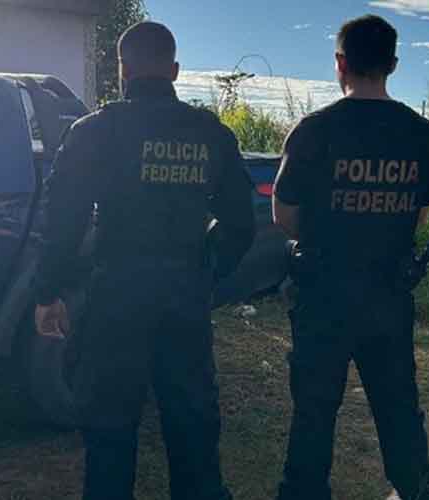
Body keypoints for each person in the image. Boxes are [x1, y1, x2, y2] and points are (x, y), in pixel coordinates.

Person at [33, 21, 255, 500]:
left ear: (122, 71)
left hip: (116, 296)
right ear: (174, 70)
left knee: (110, 426)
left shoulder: (94, 131)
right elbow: (242, 224)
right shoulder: (210, 133)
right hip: (184, 294)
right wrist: (207, 272)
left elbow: (64, 220)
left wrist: (48, 291)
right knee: (192, 423)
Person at [272, 15, 429, 500]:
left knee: (314, 409)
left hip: (323, 290)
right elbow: (420, 215)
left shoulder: (312, 130)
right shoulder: (420, 134)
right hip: (388, 292)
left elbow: (285, 216)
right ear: (393, 64)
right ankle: (414, 487)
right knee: (397, 403)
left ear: (340, 63)